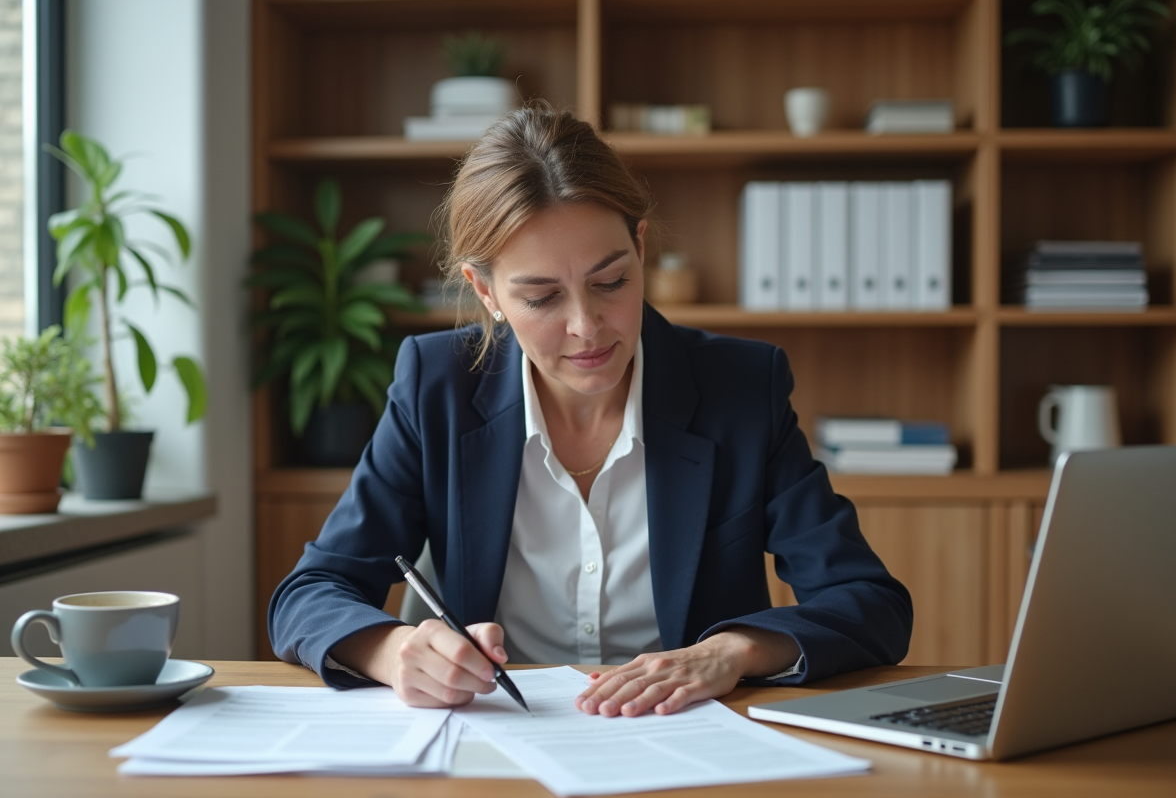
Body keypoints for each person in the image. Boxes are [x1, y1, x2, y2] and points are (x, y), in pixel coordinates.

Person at [269, 104, 912, 718]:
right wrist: (393, 649)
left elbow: (871, 602)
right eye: (542, 298)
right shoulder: (435, 386)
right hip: (503, 738)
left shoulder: (739, 388)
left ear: (640, 246)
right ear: (485, 292)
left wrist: (732, 651)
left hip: (684, 740)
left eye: (610, 283)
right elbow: (308, 594)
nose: (587, 328)